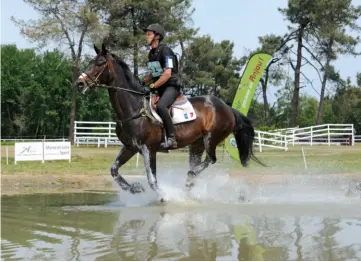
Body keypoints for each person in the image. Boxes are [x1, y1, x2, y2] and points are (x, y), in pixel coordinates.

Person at [142, 23, 181, 149]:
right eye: (146, 34)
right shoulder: (151, 53)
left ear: (157, 36)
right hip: (160, 88)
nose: (146, 37)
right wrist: (142, 82)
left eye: (149, 34)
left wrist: (153, 85)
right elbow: (153, 73)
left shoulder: (166, 51)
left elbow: (167, 74)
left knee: (161, 106)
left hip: (172, 86)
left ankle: (171, 138)